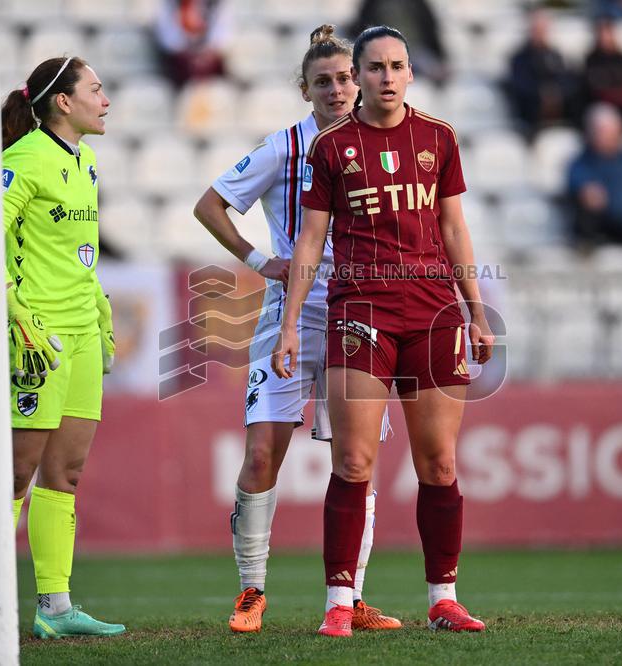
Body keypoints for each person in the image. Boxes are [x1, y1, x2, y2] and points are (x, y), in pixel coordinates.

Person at [272, 25, 494, 637]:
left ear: (411, 73)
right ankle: (340, 602)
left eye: (397, 66)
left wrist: (475, 310)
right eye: (374, 68)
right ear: (359, 75)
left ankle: (443, 598)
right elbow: (310, 241)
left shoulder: (439, 138)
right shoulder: (332, 147)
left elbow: (453, 229)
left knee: (440, 463)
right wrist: (290, 325)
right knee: (353, 459)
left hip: (432, 313)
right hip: (360, 311)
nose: (386, 77)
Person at [192, 25, 399, 634]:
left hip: (361, 313)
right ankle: (252, 592)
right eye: (323, 82)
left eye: (343, 78)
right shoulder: (285, 147)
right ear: (304, 90)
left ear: (359, 79)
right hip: (291, 315)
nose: (337, 90)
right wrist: (261, 261)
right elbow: (210, 204)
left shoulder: (382, 142)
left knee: (355, 462)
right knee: (261, 454)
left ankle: (351, 596)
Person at [1, 56, 123, 639]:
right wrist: (14, 309)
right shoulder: (21, 160)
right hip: (36, 338)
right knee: (17, 473)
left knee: (66, 472)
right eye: (96, 91)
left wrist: (99, 309)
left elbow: (78, 252)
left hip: (78, 335)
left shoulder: (88, 162)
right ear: (63, 102)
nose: (106, 100)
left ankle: (54, 606)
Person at [567, 103, 622, 252]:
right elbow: (577, 185)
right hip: (598, 226)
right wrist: (587, 192)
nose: (609, 137)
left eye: (613, 132)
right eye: (603, 132)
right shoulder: (581, 163)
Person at [505, 7, 579, 138]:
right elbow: (520, 86)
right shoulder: (519, 58)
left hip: (559, 109)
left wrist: (555, 93)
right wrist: (542, 94)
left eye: (543, 29)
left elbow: (566, 80)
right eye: (536, 29)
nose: (540, 33)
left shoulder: (555, 55)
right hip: (532, 115)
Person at [582, 17, 622, 129]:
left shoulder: (621, 58)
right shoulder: (591, 59)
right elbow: (595, 87)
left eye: (608, 33)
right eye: (602, 33)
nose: (605, 37)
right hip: (603, 105)